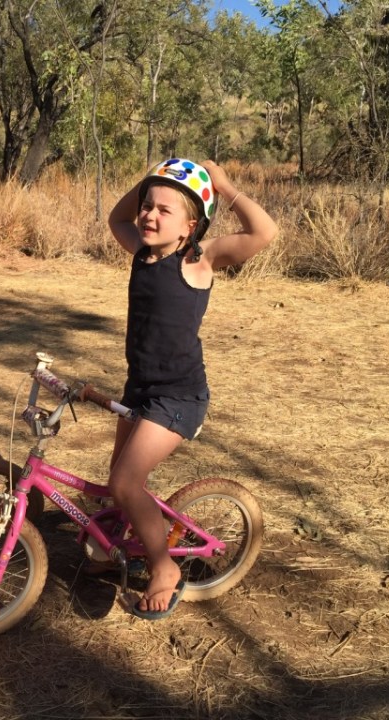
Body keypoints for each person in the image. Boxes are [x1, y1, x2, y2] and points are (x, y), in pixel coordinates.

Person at [106, 158, 277, 619]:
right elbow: (116, 217)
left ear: (191, 225)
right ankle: (127, 542)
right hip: (139, 387)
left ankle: (164, 569)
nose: (149, 215)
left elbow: (264, 233)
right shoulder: (141, 251)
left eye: (164, 210)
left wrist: (221, 185)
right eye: (148, 205)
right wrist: (152, 177)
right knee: (114, 485)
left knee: (126, 483)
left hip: (178, 397)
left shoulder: (198, 259)